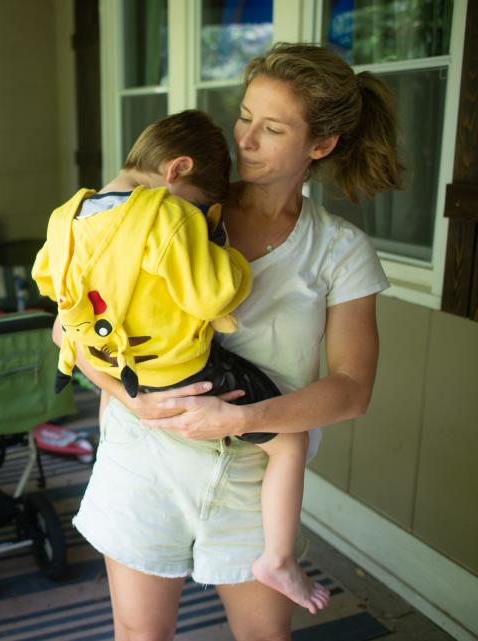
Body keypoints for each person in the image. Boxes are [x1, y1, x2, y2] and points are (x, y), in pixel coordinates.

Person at [57, 42, 401, 641]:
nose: (244, 139)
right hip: (145, 461)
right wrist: (127, 395)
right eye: (244, 116)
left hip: (254, 486)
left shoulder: (340, 251)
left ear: (320, 146)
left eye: (271, 129)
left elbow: (351, 390)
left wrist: (243, 419)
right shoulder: (164, 210)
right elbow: (70, 327)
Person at [32, 108, 330, 617]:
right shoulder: (164, 216)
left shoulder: (69, 214)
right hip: (181, 374)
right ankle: (278, 559)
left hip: (114, 364)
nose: (193, 215)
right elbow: (217, 298)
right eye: (197, 205)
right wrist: (219, 247)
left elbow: (49, 284)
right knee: (291, 440)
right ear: (177, 170)